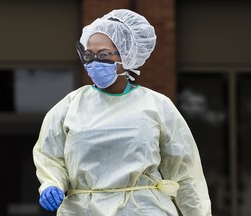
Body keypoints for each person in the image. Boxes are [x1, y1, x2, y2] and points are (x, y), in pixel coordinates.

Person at [33, 9, 212, 216]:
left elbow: (185, 173)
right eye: (88, 55)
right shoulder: (69, 106)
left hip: (144, 210)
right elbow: (50, 156)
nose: (93, 62)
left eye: (103, 55)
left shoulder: (157, 106)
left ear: (127, 54)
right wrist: (51, 183)